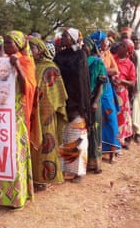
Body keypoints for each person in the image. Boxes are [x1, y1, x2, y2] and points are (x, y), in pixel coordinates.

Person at [0, 30, 36, 209]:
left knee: (15, 154)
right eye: (5, 43)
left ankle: (16, 197)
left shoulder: (26, 61)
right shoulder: (0, 61)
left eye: (10, 43)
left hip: (16, 113)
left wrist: (17, 66)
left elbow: (28, 88)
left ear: (19, 45)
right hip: (1, 113)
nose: (6, 46)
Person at [29, 37, 68, 191]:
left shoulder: (50, 67)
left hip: (45, 113)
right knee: (32, 145)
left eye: (32, 48)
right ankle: (33, 176)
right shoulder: (28, 65)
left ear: (40, 50)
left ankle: (45, 178)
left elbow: (55, 92)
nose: (30, 51)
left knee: (46, 143)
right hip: (30, 113)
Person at [54, 28, 90, 183]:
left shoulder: (80, 55)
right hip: (62, 101)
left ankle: (79, 172)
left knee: (77, 137)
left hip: (77, 101)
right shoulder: (59, 56)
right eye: (62, 35)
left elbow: (82, 81)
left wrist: (83, 106)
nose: (62, 38)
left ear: (73, 38)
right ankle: (64, 169)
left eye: (65, 36)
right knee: (64, 136)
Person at [90, 30, 121, 164]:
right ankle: (98, 152)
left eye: (107, 41)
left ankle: (112, 152)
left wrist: (102, 69)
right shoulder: (91, 57)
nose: (106, 43)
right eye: (103, 41)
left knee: (111, 118)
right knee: (97, 122)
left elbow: (115, 70)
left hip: (106, 89)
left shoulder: (108, 55)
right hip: (94, 89)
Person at [83, 37, 107, 174]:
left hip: (94, 101)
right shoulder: (83, 62)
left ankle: (97, 164)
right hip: (85, 101)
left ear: (91, 47)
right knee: (87, 131)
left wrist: (96, 101)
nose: (83, 48)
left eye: (85, 46)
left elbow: (101, 83)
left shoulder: (98, 62)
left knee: (96, 131)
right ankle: (87, 162)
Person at [112, 39, 136, 149]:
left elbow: (132, 82)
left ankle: (119, 144)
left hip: (122, 95)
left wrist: (122, 81)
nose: (120, 47)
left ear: (128, 51)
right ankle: (111, 143)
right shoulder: (112, 58)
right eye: (121, 44)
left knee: (121, 119)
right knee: (112, 118)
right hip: (111, 92)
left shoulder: (130, 64)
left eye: (123, 46)